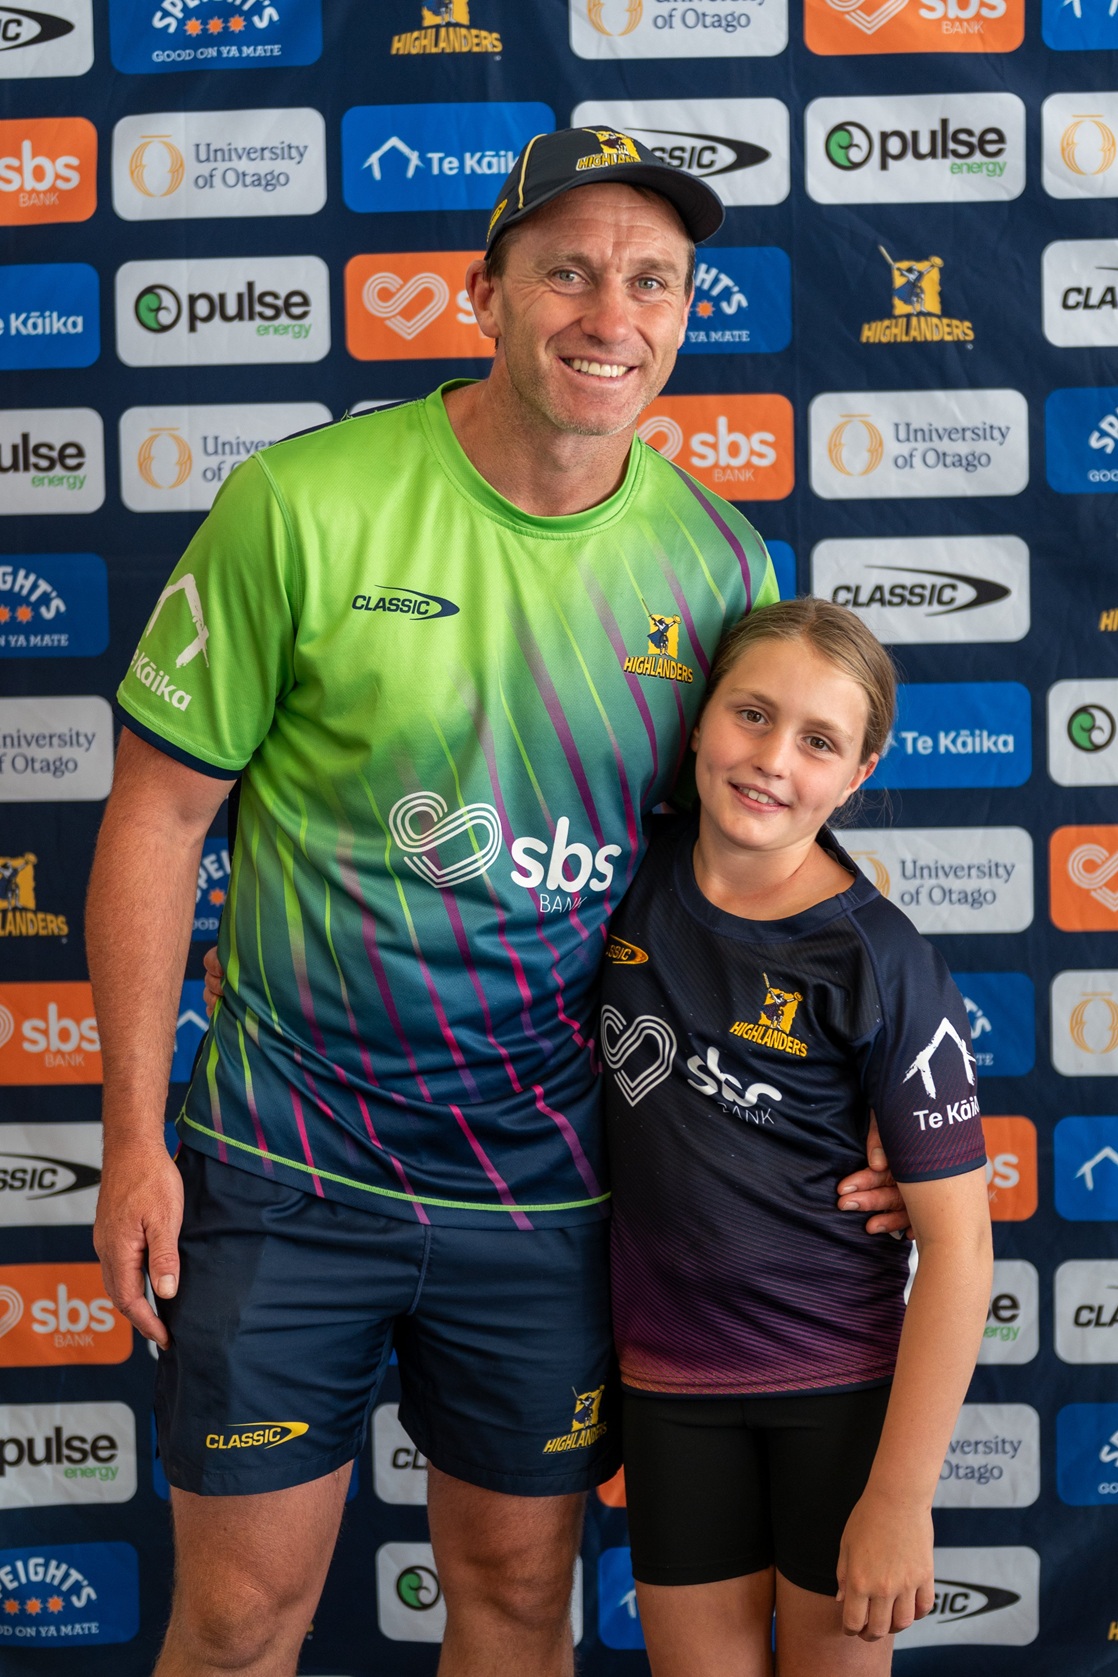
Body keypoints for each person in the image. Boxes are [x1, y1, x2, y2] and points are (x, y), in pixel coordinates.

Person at [87, 129, 908, 1677]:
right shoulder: (303, 505)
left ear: (684, 314)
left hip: (550, 1184)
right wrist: (135, 1132)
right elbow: (157, 816)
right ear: (484, 293)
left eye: (652, 280)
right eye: (569, 272)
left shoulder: (716, 562)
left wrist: (867, 1087)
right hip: (283, 1168)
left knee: (522, 1603)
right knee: (243, 1612)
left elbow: (762, 866)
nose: (612, 313)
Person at [601, 598, 994, 1677]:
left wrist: (900, 1497)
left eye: (817, 741)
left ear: (856, 775)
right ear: (697, 722)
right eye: (752, 715)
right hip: (669, 1398)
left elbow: (959, 1248)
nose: (772, 760)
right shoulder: (616, 887)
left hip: (836, 1395)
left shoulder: (878, 957)